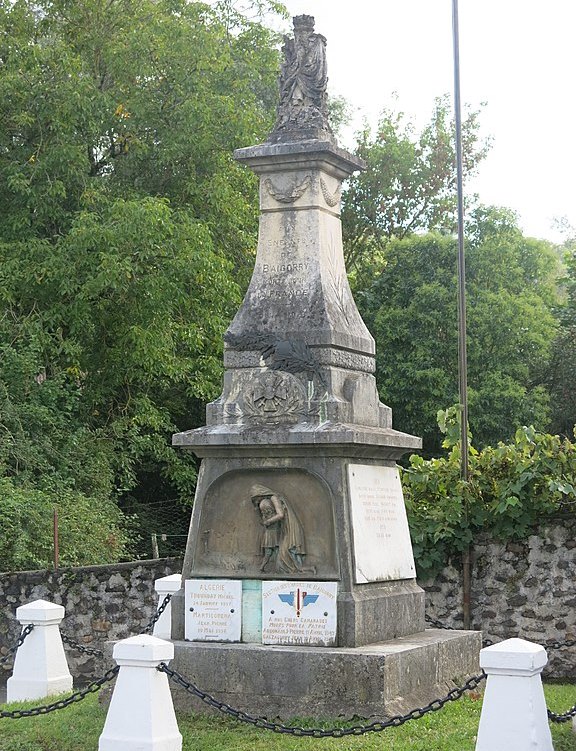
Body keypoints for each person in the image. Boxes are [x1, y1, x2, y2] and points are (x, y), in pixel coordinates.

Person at [250, 483, 311, 573]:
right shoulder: (265, 501)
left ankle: (300, 569)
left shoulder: (273, 498)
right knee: (279, 558)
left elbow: (281, 514)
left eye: (256, 498)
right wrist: (256, 509)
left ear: (260, 493)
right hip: (278, 529)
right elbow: (262, 519)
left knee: (284, 557)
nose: (256, 500)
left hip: (287, 528)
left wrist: (268, 521)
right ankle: (298, 568)